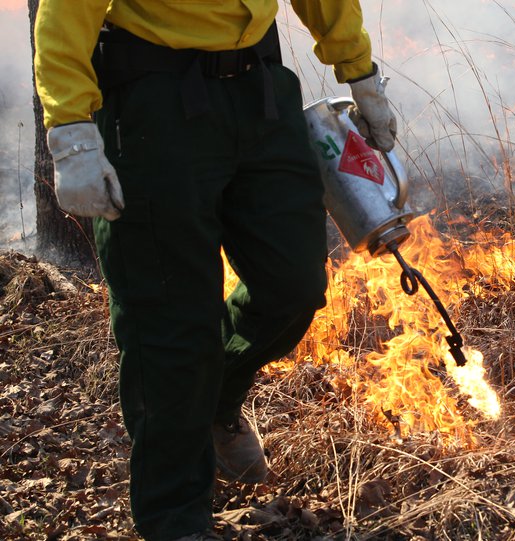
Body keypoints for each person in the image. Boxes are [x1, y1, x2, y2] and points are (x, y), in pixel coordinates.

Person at [33, 2, 397, 540]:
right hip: (151, 98)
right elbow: (66, 9)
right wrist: (71, 130)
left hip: (260, 91)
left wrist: (361, 74)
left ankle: (215, 401)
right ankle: (175, 518)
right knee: (169, 323)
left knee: (293, 284)